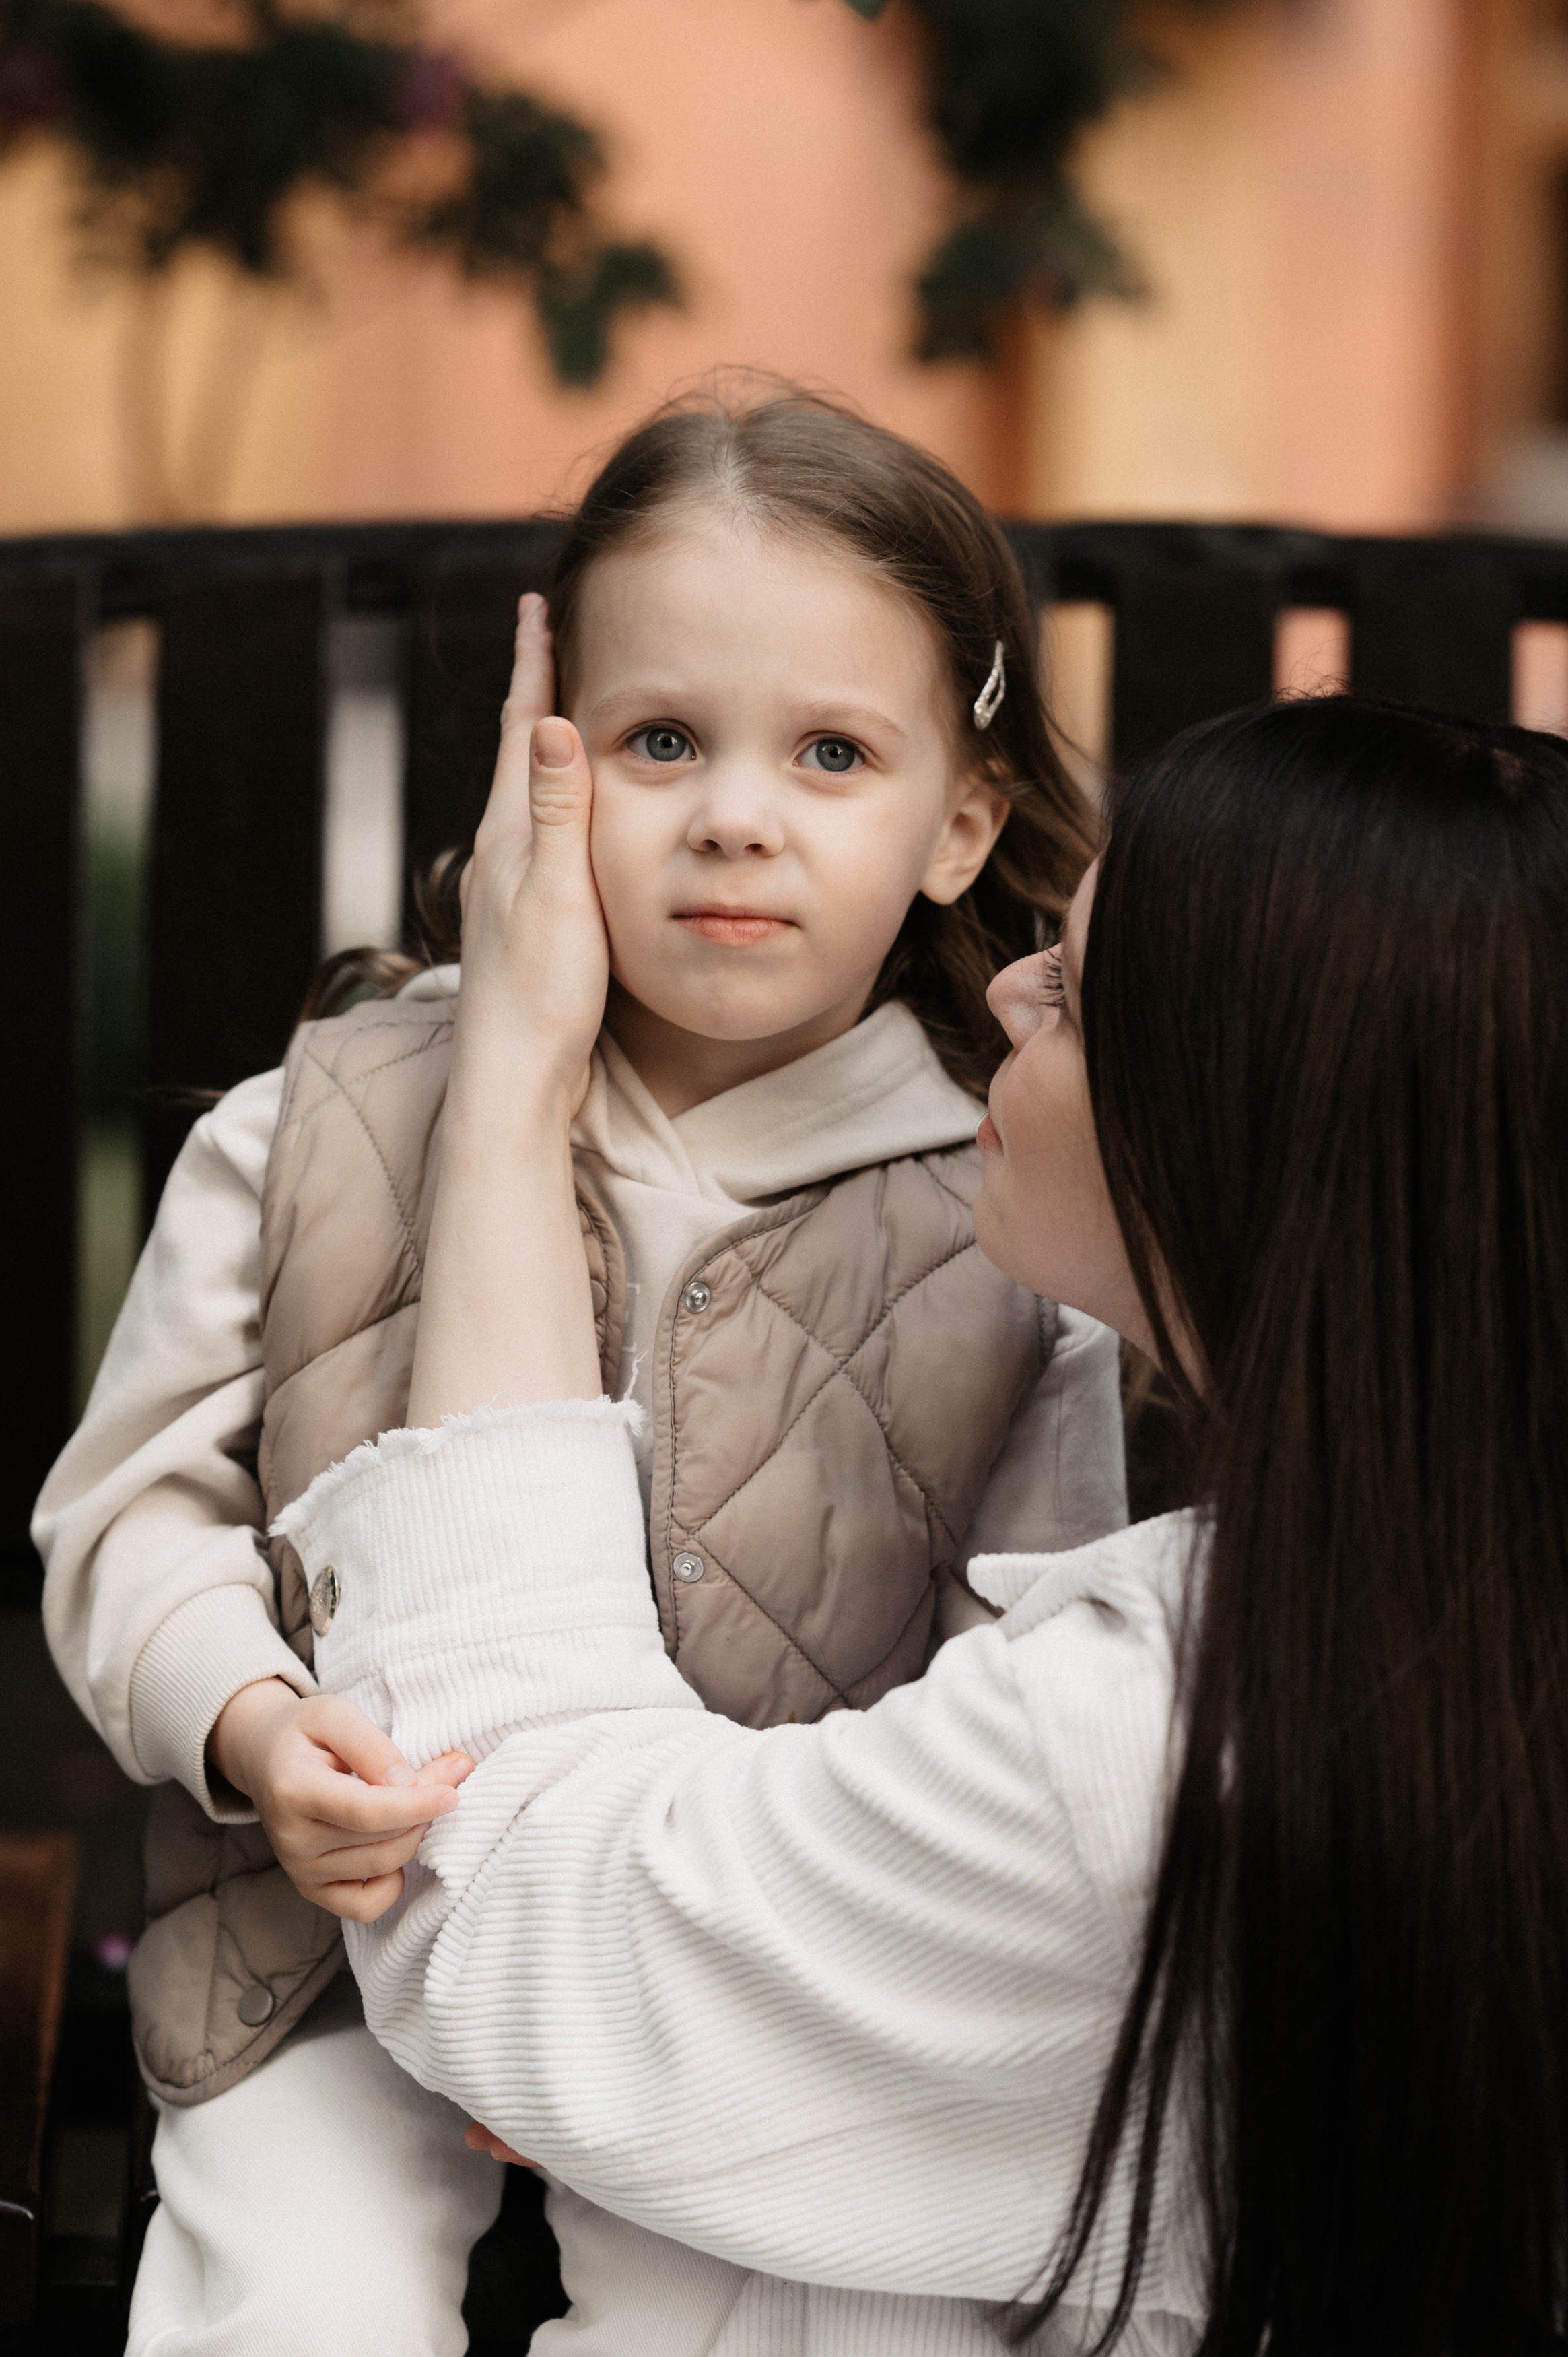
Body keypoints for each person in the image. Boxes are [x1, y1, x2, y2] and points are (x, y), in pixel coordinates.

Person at [32, 391, 1128, 2356]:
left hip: (753, 1984)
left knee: (831, 2329)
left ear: (960, 823)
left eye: (832, 752)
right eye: (659, 741)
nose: (734, 812)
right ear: (550, 763)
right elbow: (132, 1516)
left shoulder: (1008, 1216)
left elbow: (1024, 1652)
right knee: (296, 2304)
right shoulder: (327, 1125)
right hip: (336, 1954)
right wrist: (254, 1729)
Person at [283, 692, 1568, 2356]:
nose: (1010, 987)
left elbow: (524, 1913)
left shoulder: (1171, 1742)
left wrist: (514, 1085)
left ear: (1262, 1136)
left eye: (1084, 1000)